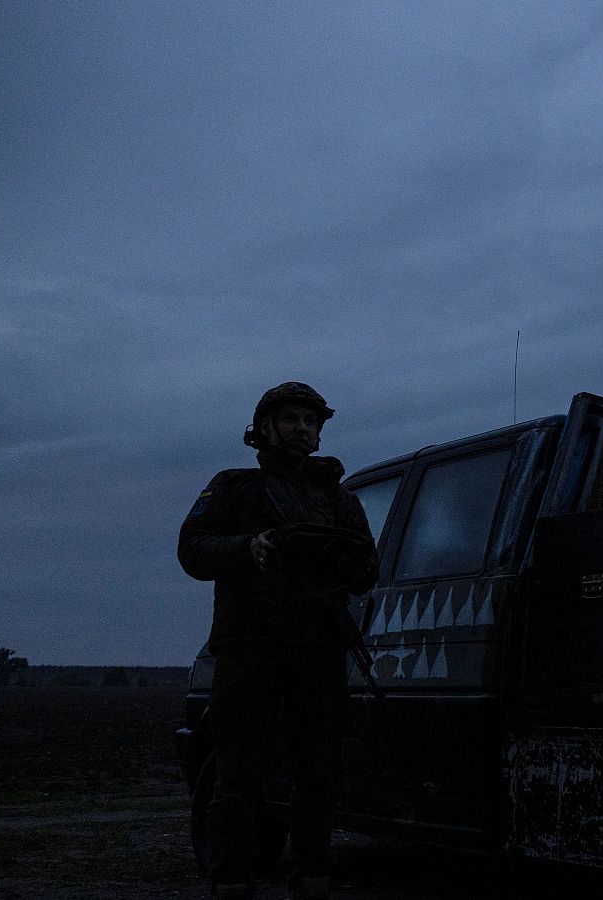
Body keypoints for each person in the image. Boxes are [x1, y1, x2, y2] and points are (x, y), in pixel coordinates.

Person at [179, 382, 379, 899]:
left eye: (310, 421)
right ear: (264, 428)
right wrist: (248, 548)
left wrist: (337, 563)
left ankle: (313, 880)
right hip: (250, 649)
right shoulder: (233, 487)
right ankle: (231, 882)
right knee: (239, 773)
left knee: (318, 773)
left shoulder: (338, 497)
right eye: (290, 419)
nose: (301, 429)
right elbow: (192, 550)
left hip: (319, 649)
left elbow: (367, 569)